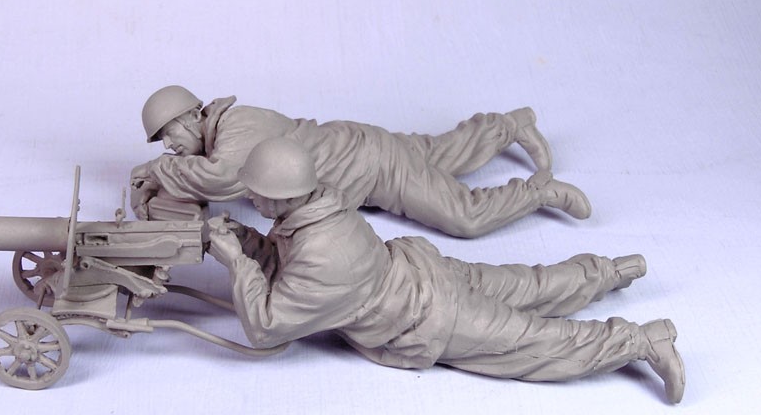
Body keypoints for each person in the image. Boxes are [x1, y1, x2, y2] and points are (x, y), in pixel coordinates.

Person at [206, 137, 686, 403]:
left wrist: (235, 261)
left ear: (283, 196)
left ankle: (643, 341)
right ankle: (609, 272)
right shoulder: (322, 208)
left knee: (536, 343)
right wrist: (246, 240)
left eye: (256, 192)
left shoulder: (324, 252)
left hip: (426, 316)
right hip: (423, 273)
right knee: (528, 284)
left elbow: (267, 326)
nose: (250, 198)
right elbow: (288, 265)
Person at [130, 85, 591, 238]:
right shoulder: (225, 131)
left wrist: (157, 172)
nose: (168, 145)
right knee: (441, 152)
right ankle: (509, 125)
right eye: (161, 144)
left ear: (191, 116)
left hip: (368, 169)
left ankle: (540, 191)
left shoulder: (237, 126)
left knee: (464, 216)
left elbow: (221, 179)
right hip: (359, 144)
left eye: (168, 134)